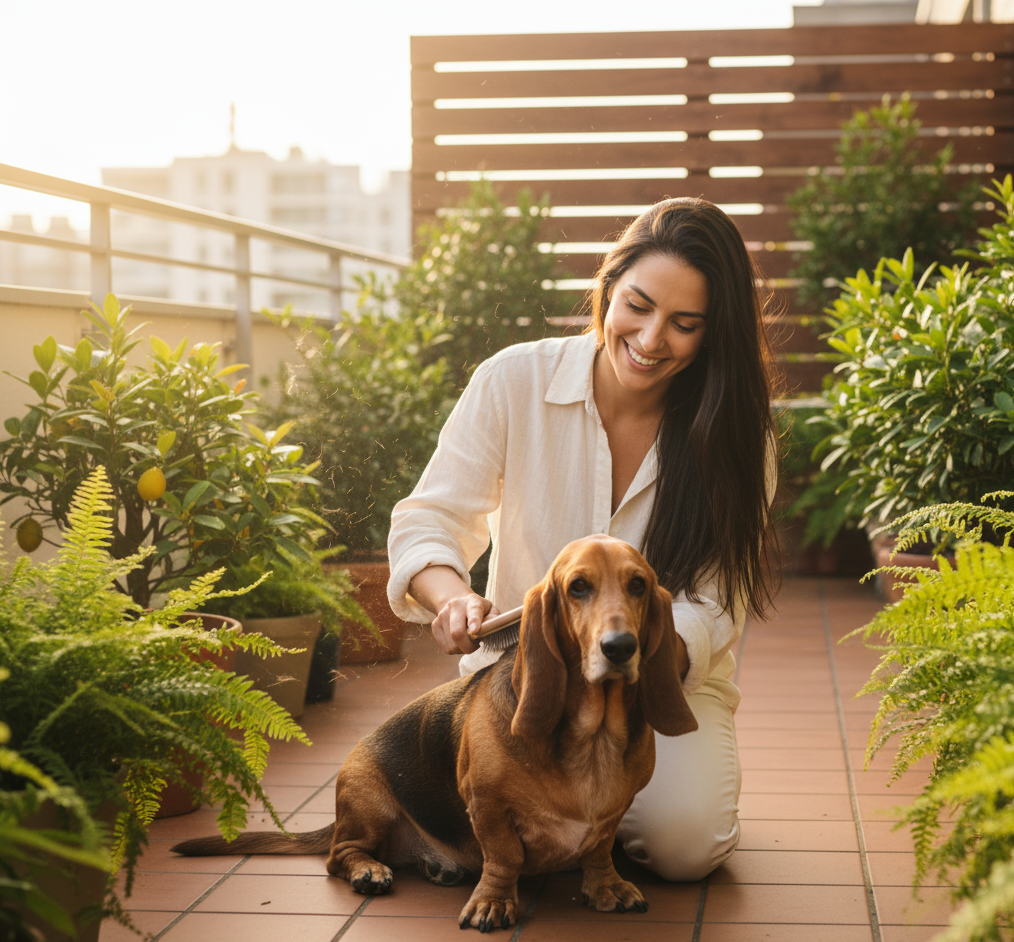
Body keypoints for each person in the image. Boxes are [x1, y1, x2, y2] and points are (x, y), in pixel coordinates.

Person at [387, 197, 779, 881]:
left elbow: (714, 606)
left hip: (658, 681)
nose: (652, 338)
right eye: (639, 305)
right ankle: (569, 818)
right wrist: (450, 596)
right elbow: (429, 519)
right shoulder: (514, 380)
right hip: (525, 675)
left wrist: (622, 657)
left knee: (686, 845)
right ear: (607, 287)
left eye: (685, 325)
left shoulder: (742, 443)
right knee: (504, 805)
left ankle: (580, 818)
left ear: (714, 336)